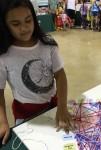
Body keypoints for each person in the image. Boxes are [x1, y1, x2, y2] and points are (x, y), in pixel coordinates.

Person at [0, 0, 75, 145]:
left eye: (28, 20)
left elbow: (60, 75)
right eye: (16, 24)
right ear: (4, 25)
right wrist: (2, 121)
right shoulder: (4, 55)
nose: (24, 28)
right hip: (25, 114)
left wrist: (62, 106)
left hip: (53, 105)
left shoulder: (46, 42)